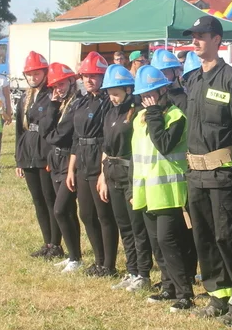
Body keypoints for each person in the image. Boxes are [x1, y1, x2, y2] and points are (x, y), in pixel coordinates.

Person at [182, 15, 232, 325]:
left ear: (217, 41)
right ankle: (218, 293)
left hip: (223, 174)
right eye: (194, 36)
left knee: (228, 237)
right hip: (196, 174)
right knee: (205, 238)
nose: (196, 40)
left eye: (203, 35)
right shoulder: (194, 80)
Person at [131, 65, 198, 312]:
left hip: (170, 193)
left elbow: (164, 145)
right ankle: (168, 287)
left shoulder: (176, 117)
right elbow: (137, 156)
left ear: (163, 91)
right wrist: (132, 189)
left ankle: (184, 293)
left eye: (151, 94)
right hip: (147, 191)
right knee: (157, 243)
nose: (146, 100)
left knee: (170, 242)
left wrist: (154, 113)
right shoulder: (140, 120)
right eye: (143, 95)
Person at [97, 64, 154, 292]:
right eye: (109, 91)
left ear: (128, 89)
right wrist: (102, 176)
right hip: (112, 174)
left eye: (116, 91)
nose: (112, 95)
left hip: (131, 175)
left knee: (137, 227)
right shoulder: (110, 112)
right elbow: (106, 146)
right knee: (124, 227)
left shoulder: (138, 112)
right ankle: (131, 272)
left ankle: (143, 274)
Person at [66, 53, 120, 278]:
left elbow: (109, 138)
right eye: (86, 76)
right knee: (86, 214)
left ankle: (109, 265)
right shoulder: (81, 100)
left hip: (100, 158)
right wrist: (71, 168)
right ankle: (98, 261)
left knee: (104, 215)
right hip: (82, 159)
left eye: (95, 76)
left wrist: (103, 173)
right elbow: (76, 137)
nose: (89, 80)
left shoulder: (108, 102)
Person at [15, 51, 64, 262]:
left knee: (50, 198)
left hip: (45, 152)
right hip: (28, 152)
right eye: (30, 74)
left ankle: (57, 244)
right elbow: (19, 129)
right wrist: (18, 159)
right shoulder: (26, 97)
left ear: (45, 72)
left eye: (37, 73)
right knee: (38, 201)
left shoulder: (51, 94)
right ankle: (47, 243)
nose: (33, 78)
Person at [44, 63, 84, 273]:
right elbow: (45, 130)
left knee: (60, 209)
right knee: (67, 211)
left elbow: (59, 134)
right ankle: (74, 256)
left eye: (61, 84)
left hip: (70, 160)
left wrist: (51, 134)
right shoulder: (60, 103)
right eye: (54, 85)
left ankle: (76, 257)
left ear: (71, 81)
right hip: (56, 161)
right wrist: (51, 106)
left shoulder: (77, 103)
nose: (57, 88)